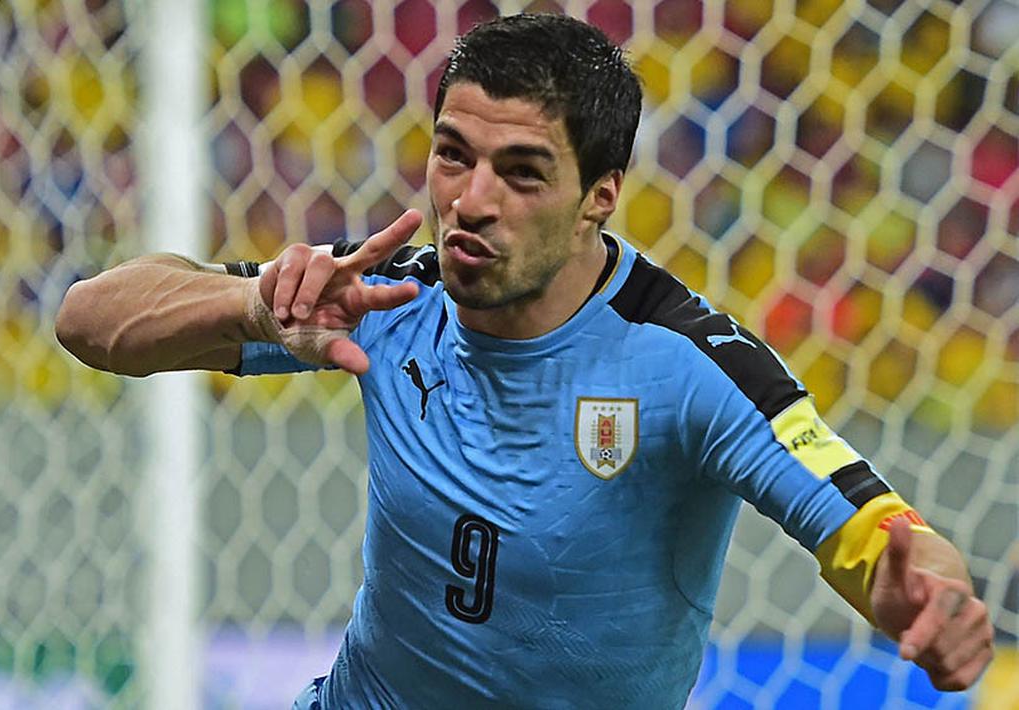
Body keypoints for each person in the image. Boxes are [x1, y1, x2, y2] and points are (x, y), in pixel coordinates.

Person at [55, 13, 994, 708]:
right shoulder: (384, 296)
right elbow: (87, 321)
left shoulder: (688, 366)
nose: (468, 201)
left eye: (521, 172)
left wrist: (932, 596)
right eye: (452, 156)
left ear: (600, 196)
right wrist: (253, 305)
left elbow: (873, 529)